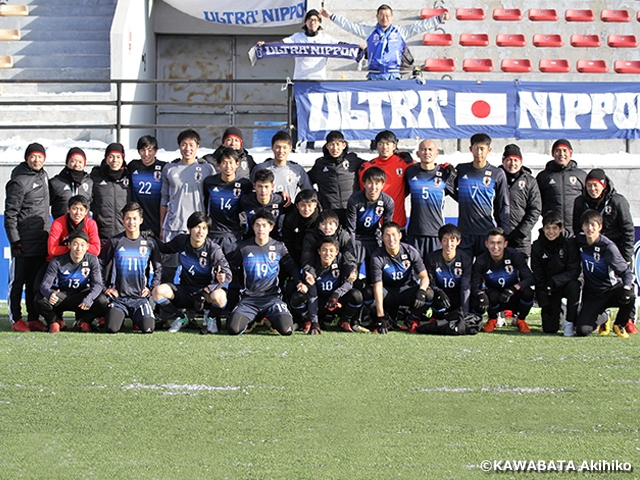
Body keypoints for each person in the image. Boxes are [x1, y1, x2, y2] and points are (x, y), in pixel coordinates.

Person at [573, 168, 637, 335]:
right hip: (591, 248)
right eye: (589, 185)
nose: (592, 189)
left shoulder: (617, 201)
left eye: (596, 185)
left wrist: (626, 255)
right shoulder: (580, 201)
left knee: (626, 288)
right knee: (582, 329)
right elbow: (576, 227)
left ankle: (625, 320)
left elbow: (628, 229)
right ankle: (601, 316)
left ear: (603, 185)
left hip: (614, 251)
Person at [321, 4, 449, 80]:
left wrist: (438, 19)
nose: (384, 18)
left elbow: (419, 27)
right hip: (374, 76)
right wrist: (332, 16)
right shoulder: (370, 32)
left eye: (387, 15)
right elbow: (351, 26)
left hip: (393, 76)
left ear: (392, 17)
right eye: (381, 15)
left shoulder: (400, 32)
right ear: (377, 17)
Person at [153, 212, 232, 334]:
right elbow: (164, 248)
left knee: (220, 296)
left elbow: (228, 276)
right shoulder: (181, 240)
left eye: (204, 228)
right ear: (189, 229)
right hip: (184, 290)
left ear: (208, 231)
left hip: (205, 295)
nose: (200, 231)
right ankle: (181, 317)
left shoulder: (213, 249)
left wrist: (208, 289)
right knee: (158, 291)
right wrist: (152, 237)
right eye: (197, 227)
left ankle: (210, 317)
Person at [226, 209, 302, 336]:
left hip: (272, 299)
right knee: (233, 329)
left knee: (287, 330)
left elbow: (292, 267)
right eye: (257, 225)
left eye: (264, 225)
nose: (260, 229)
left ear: (271, 227)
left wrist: (299, 282)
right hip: (249, 299)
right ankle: (252, 319)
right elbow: (231, 267)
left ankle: (271, 319)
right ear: (253, 227)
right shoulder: (244, 247)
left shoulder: (279, 247)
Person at [5, 143, 51, 332]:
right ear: (27, 158)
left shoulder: (44, 175)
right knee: (17, 284)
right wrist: (15, 240)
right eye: (33, 156)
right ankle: (16, 318)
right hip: (23, 243)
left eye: (40, 157)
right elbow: (10, 213)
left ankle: (33, 318)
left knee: (34, 284)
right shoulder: (19, 180)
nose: (36, 160)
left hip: (40, 241)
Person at [160, 129, 215, 282]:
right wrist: (162, 226)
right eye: (184, 144)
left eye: (191, 145)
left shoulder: (207, 169)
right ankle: (164, 297)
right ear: (179, 146)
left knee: (196, 270)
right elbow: (164, 199)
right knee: (168, 270)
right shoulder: (170, 169)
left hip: (197, 228)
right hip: (174, 227)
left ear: (197, 147)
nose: (187, 148)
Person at [203, 147, 253, 309]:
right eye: (224, 162)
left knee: (233, 272)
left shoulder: (244, 184)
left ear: (237, 164)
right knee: (213, 272)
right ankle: (212, 313)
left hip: (234, 235)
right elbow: (205, 205)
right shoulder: (209, 182)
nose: (228, 166)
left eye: (231, 162)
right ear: (218, 164)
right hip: (213, 234)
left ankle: (232, 309)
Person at [100, 202, 162, 334]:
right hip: (119, 298)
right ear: (123, 220)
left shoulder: (149, 243)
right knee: (111, 328)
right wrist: (105, 288)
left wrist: (152, 288)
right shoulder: (115, 242)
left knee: (148, 329)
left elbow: (158, 268)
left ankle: (136, 317)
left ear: (141, 220)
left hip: (139, 299)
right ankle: (119, 316)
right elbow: (99, 264)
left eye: (134, 218)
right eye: (128, 218)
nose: (131, 222)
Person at [575, 209, 635, 338]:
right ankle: (604, 317)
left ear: (600, 227)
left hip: (611, 290)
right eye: (586, 225)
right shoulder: (579, 241)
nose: (590, 228)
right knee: (582, 331)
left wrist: (626, 287)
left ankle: (619, 324)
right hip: (593, 294)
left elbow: (626, 272)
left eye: (593, 225)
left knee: (630, 295)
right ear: (582, 227)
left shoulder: (608, 247)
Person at [36, 231, 109, 333]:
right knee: (39, 299)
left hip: (82, 297)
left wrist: (89, 299)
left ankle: (84, 321)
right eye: (75, 244)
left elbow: (97, 284)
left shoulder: (92, 260)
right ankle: (54, 321)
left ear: (87, 247)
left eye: (82, 245)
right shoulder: (57, 261)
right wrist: (49, 294)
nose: (79, 248)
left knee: (103, 300)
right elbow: (44, 285)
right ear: (69, 245)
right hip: (62, 296)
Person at [453, 133, 510, 258]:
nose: (479, 152)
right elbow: (448, 187)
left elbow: (503, 204)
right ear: (470, 149)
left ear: (489, 150)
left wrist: (504, 231)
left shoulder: (497, 173)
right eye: (476, 148)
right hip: (465, 232)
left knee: (484, 268)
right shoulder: (461, 170)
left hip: (486, 232)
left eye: (482, 149)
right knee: (464, 268)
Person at [370, 222, 433, 333]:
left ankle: (412, 318)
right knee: (369, 294)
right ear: (382, 238)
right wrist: (381, 316)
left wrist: (422, 290)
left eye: (394, 235)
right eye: (387, 236)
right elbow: (378, 286)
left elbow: (424, 276)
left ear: (400, 235)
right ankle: (383, 319)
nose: (391, 239)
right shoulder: (377, 256)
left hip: (406, 290)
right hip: (388, 292)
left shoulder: (410, 251)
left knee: (429, 294)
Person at [471, 227, 535, 333]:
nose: (495, 247)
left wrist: (513, 289)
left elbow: (530, 278)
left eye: (499, 243)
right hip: (494, 297)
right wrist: (481, 294)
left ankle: (520, 320)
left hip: (512, 295)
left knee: (528, 292)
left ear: (505, 244)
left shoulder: (514, 255)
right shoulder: (481, 260)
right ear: (486, 244)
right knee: (488, 296)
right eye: (492, 243)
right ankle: (493, 319)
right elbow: (473, 283)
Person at [530, 211, 581, 336]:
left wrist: (556, 280)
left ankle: (570, 321)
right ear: (543, 228)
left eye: (554, 228)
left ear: (561, 228)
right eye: (548, 228)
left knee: (574, 286)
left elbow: (574, 271)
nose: (551, 231)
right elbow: (538, 275)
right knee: (549, 329)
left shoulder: (569, 243)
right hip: (549, 288)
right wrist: (544, 301)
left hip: (565, 283)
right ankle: (559, 311)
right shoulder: (537, 246)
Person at [405, 139, 455, 258]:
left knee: (434, 268)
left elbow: (461, 197)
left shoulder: (445, 174)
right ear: (418, 154)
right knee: (415, 268)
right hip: (415, 232)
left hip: (436, 233)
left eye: (430, 149)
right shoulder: (410, 172)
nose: (426, 152)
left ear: (437, 153)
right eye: (423, 150)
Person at [305, 238, 363, 334]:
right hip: (319, 302)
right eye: (324, 250)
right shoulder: (313, 266)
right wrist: (314, 321)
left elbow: (349, 282)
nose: (327, 254)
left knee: (356, 296)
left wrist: (336, 294)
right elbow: (312, 295)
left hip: (336, 301)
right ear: (319, 251)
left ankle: (343, 320)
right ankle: (309, 321)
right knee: (298, 297)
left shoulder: (341, 261)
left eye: (331, 250)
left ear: (337, 252)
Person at [307, 130, 364, 225]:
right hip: (330, 213)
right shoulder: (320, 164)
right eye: (331, 144)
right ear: (327, 146)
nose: (335, 148)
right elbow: (306, 180)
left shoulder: (353, 160)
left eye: (338, 144)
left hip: (351, 210)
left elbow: (370, 169)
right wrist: (317, 198)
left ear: (344, 145)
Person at [346, 166, 394, 276]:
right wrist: (351, 250)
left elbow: (387, 228)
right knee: (352, 273)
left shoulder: (388, 201)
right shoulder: (354, 200)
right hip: (357, 238)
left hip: (374, 238)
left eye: (377, 183)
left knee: (375, 274)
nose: (373, 187)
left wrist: (385, 249)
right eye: (370, 183)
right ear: (363, 184)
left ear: (383, 184)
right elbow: (351, 229)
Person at [357, 130, 411, 227]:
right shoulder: (367, 167)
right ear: (376, 146)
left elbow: (425, 169)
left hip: (397, 222)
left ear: (394, 146)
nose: (384, 147)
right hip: (373, 223)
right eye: (381, 144)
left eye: (388, 144)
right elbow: (362, 193)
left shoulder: (404, 164)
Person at [536, 139, 587, 236]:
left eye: (564, 150)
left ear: (570, 153)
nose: (561, 154)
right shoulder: (544, 176)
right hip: (553, 229)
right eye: (558, 151)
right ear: (553, 154)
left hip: (576, 229)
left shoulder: (581, 175)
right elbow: (537, 202)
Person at [499, 144, 541, 260]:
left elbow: (535, 209)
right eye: (509, 160)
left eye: (516, 160)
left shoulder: (530, 181)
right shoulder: (495, 178)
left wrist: (520, 233)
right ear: (503, 161)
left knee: (521, 269)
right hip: (498, 238)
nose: (512, 163)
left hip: (521, 240)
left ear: (521, 162)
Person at [422, 224, 472, 321]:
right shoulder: (431, 258)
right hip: (441, 296)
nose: (449, 244)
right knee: (428, 293)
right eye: (445, 240)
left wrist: (465, 313)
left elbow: (465, 287)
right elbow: (431, 283)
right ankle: (433, 315)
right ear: (440, 241)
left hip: (457, 297)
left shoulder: (465, 259)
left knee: (477, 300)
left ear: (458, 241)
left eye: (452, 240)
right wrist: (438, 291)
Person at [251, 131, 313, 201]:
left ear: (290, 148)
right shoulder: (261, 168)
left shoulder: (297, 170)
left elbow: (309, 194)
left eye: (284, 147)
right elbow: (251, 191)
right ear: (272, 147)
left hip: (288, 207)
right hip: (266, 207)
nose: (281, 151)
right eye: (278, 147)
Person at [90, 143, 130, 248]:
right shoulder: (96, 177)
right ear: (106, 158)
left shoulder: (129, 176)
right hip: (102, 236)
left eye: (118, 157)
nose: (115, 160)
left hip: (125, 235)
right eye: (111, 156)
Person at [128, 135, 166, 238]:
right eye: (142, 150)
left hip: (156, 219)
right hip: (136, 221)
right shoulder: (133, 166)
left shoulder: (163, 167)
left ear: (156, 151)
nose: (146, 154)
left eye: (150, 150)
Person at [300, 209, 357, 275]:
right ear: (318, 226)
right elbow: (307, 260)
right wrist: (310, 275)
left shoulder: (343, 235)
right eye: (323, 224)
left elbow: (349, 258)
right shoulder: (311, 237)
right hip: (317, 269)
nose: (327, 227)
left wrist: (351, 272)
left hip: (338, 269)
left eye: (330, 224)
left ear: (336, 226)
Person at [47, 195, 100, 262]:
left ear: (86, 212)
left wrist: (77, 248)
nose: (78, 213)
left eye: (81, 210)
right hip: (60, 259)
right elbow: (52, 250)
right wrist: (73, 248)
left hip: (83, 259)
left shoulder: (91, 224)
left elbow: (96, 250)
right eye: (74, 209)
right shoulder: (58, 223)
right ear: (68, 209)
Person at [240, 168, 288, 239]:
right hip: (251, 241)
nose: (263, 190)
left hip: (275, 240)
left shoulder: (281, 201)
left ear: (272, 187)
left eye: (266, 186)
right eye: (260, 186)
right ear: (254, 186)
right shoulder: (246, 200)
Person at [49, 147, 92, 219]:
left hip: (83, 224)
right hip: (62, 224)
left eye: (80, 162)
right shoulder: (56, 182)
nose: (77, 165)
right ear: (67, 162)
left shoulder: (89, 182)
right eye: (73, 161)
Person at [282, 189, 320, 267]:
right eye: (302, 205)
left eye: (309, 205)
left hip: (317, 256)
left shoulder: (321, 219)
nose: (306, 209)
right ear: (297, 206)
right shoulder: (290, 219)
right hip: (296, 255)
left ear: (315, 205)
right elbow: (288, 242)